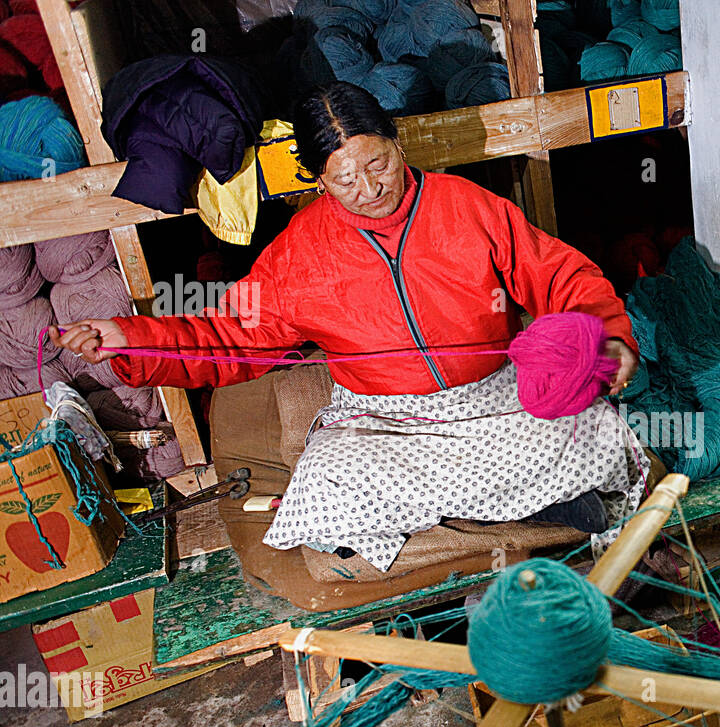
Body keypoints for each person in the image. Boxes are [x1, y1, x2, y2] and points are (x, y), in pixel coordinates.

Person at [50, 81, 649, 571]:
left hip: (493, 393)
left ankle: (486, 509)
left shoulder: (465, 205)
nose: (369, 189)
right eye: (344, 179)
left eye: (378, 163)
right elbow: (233, 334)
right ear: (318, 182)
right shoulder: (302, 250)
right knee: (331, 481)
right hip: (386, 421)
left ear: (398, 142)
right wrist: (134, 338)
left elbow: (556, 274)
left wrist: (609, 337)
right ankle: (531, 507)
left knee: (592, 425)